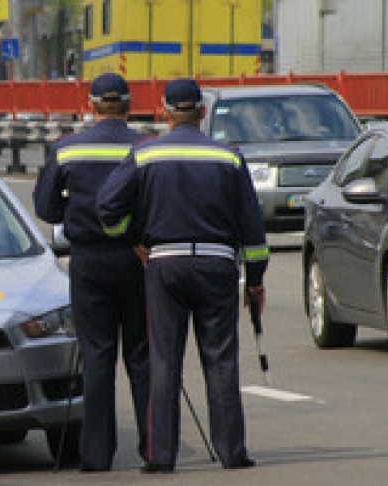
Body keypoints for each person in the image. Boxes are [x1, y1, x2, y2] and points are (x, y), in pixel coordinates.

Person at [96, 78, 269, 473]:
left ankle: (161, 457)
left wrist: (132, 239)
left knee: (164, 361)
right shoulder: (229, 158)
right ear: (202, 112)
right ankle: (232, 453)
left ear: (165, 112)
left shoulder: (144, 155)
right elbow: (252, 227)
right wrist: (255, 279)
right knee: (221, 360)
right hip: (217, 265)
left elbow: (107, 206)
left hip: (165, 265)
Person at [33, 72, 151, 472]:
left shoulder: (67, 150)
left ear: (91, 105)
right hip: (138, 258)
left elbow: (47, 209)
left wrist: (77, 211)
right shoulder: (145, 147)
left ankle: (97, 455)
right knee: (142, 356)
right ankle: (155, 448)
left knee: (97, 358)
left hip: (88, 262)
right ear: (129, 106)